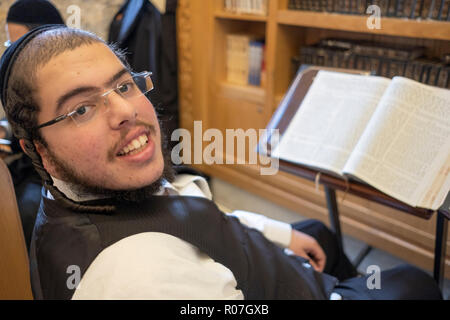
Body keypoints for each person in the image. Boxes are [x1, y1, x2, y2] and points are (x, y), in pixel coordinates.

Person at [0, 25, 443, 300]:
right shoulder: (140, 277)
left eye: (123, 86)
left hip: (261, 261)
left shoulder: (86, 185)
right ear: (40, 151)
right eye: (81, 109)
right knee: (409, 280)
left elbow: (181, 205)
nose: (126, 112)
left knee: (317, 232)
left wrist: (278, 233)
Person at [0, 0, 64, 249]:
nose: (11, 51)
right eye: (9, 44)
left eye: (16, 43)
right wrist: (6, 132)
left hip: (52, 177)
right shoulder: (27, 74)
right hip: (33, 170)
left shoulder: (64, 79)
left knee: (24, 216)